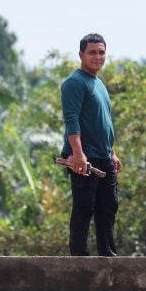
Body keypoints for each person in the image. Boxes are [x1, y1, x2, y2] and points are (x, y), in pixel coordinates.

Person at [60, 33, 122, 257]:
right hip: (84, 157)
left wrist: (112, 153)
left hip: (104, 157)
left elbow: (102, 122)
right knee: (84, 208)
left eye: (101, 52)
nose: (98, 57)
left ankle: (108, 256)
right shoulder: (74, 83)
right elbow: (72, 120)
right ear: (81, 55)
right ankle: (79, 260)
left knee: (108, 207)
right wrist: (78, 154)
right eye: (92, 52)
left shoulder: (99, 84)